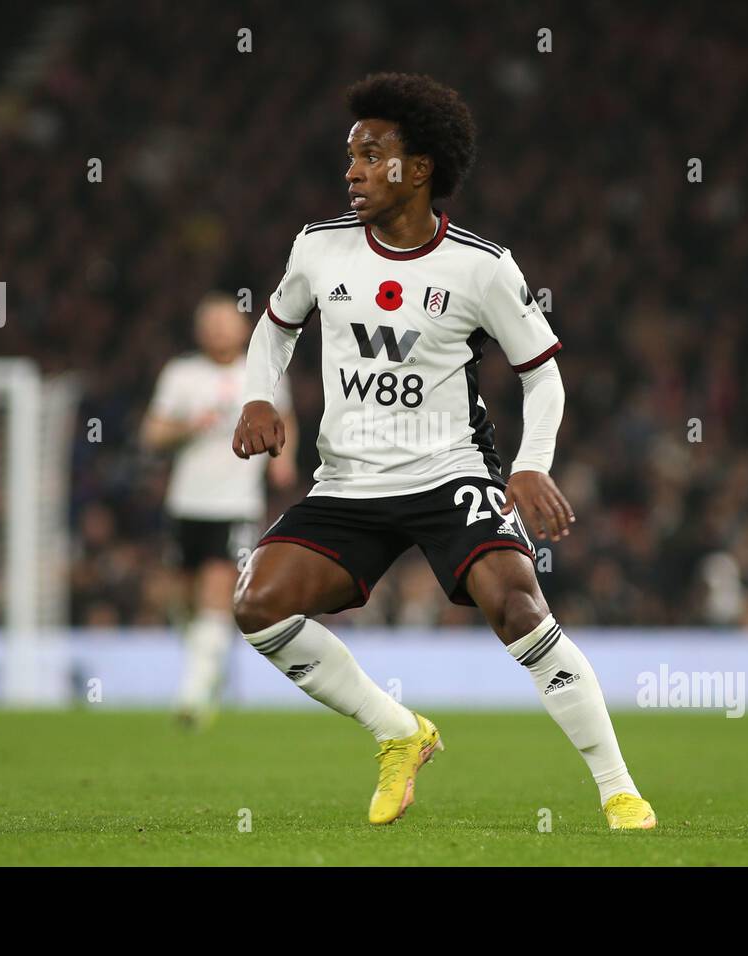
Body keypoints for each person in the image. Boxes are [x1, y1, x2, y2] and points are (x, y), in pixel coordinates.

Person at [231, 73, 655, 830]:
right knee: (257, 605)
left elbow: (544, 374)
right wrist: (259, 395)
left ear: (419, 168)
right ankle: (397, 730)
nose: (353, 170)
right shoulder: (319, 247)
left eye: (372, 154)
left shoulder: (481, 266)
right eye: (350, 155)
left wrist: (531, 464)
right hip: (350, 481)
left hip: (449, 471)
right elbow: (275, 326)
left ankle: (618, 789)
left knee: (518, 604)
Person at [143, 291, 297, 728]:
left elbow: (285, 419)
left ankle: (191, 697)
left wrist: (282, 459)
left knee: (215, 589)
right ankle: (209, 669)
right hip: (185, 502)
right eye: (209, 322)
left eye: (225, 321)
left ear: (243, 328)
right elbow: (152, 433)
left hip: (234, 505)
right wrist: (187, 426)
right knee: (180, 602)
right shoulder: (182, 374)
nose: (217, 329)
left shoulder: (261, 373)